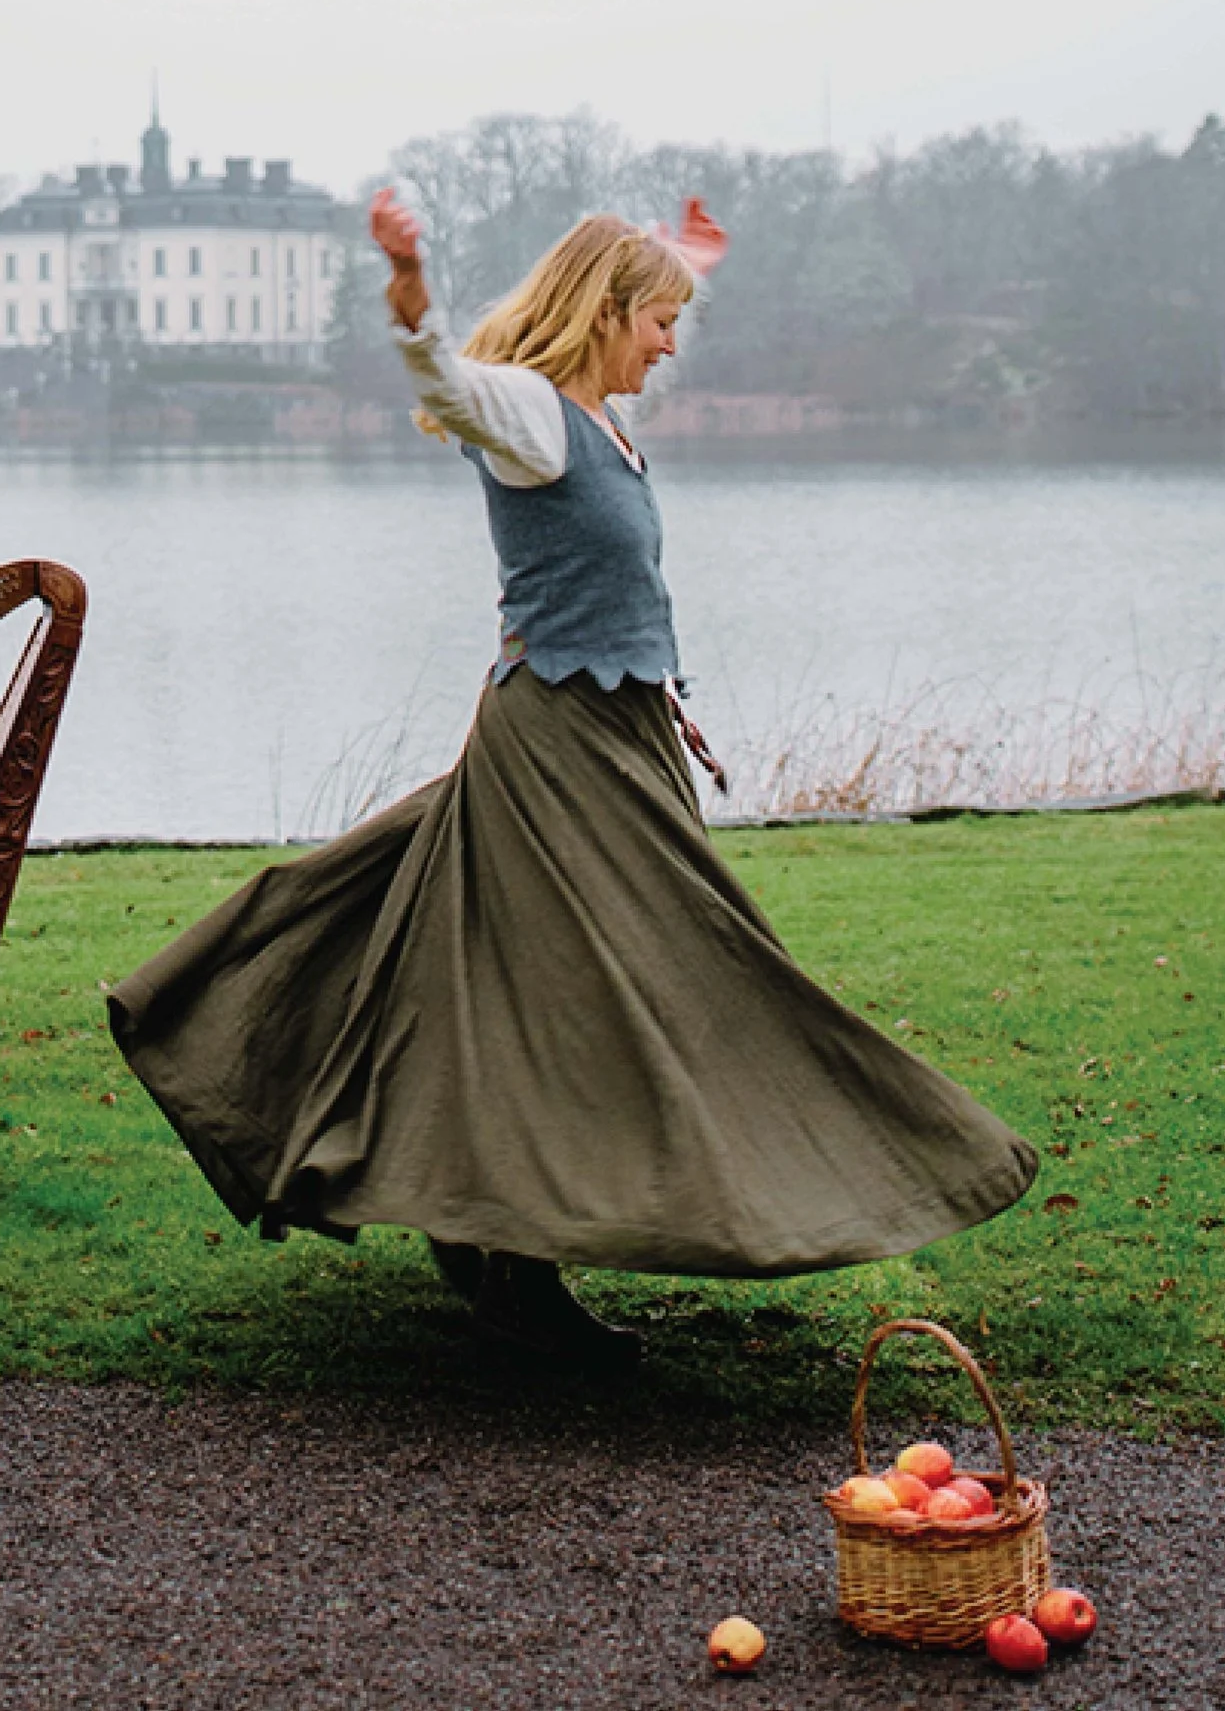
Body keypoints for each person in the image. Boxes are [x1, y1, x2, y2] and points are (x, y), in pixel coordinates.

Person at [107, 190, 1037, 1366]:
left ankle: (480, 1228)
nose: (669, 344)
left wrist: (666, 698)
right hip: (555, 756)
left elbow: (615, 591)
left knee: (508, 974)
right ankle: (521, 1269)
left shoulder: (600, 425)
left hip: (615, 737)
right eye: (658, 319)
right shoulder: (534, 420)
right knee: (584, 994)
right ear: (604, 312)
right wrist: (404, 278)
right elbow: (440, 379)